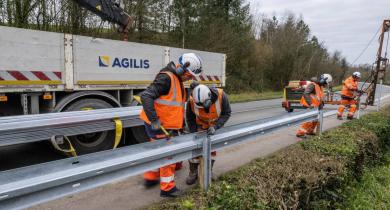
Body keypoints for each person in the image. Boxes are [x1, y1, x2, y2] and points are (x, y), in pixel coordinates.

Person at [139, 53, 203, 197]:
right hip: (160, 124)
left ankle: (151, 177)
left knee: (157, 151)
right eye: (190, 75)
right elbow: (146, 96)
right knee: (168, 156)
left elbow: (174, 101)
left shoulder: (175, 78)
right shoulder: (167, 77)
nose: (190, 78)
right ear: (182, 69)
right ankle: (167, 188)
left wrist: (189, 91)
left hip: (164, 123)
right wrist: (154, 119)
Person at [185, 84, 231, 185]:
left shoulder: (221, 96)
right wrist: (194, 133)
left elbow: (226, 113)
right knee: (195, 151)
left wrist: (216, 127)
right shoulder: (192, 101)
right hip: (199, 126)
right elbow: (190, 118)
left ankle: (208, 170)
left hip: (213, 127)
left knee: (212, 151)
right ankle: (193, 172)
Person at [296, 74, 332, 138]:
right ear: (322, 80)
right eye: (325, 83)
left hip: (315, 106)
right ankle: (300, 133)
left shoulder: (320, 87)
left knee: (316, 119)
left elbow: (319, 97)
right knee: (309, 119)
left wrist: (321, 105)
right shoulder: (313, 85)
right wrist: (310, 103)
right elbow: (306, 93)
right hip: (309, 105)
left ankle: (310, 131)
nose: (325, 85)